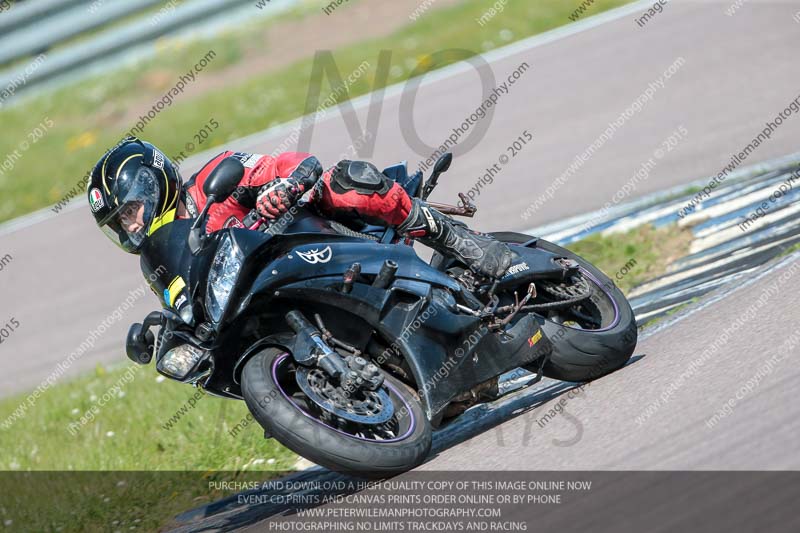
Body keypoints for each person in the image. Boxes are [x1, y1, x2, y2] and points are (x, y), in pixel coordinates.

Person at [87, 137, 512, 278]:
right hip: (275, 283)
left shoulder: (214, 180)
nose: (131, 226)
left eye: (128, 211)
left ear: (151, 184)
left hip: (317, 233)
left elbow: (288, 164)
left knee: (346, 182)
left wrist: (286, 186)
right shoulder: (161, 262)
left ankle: (454, 239)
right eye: (120, 223)